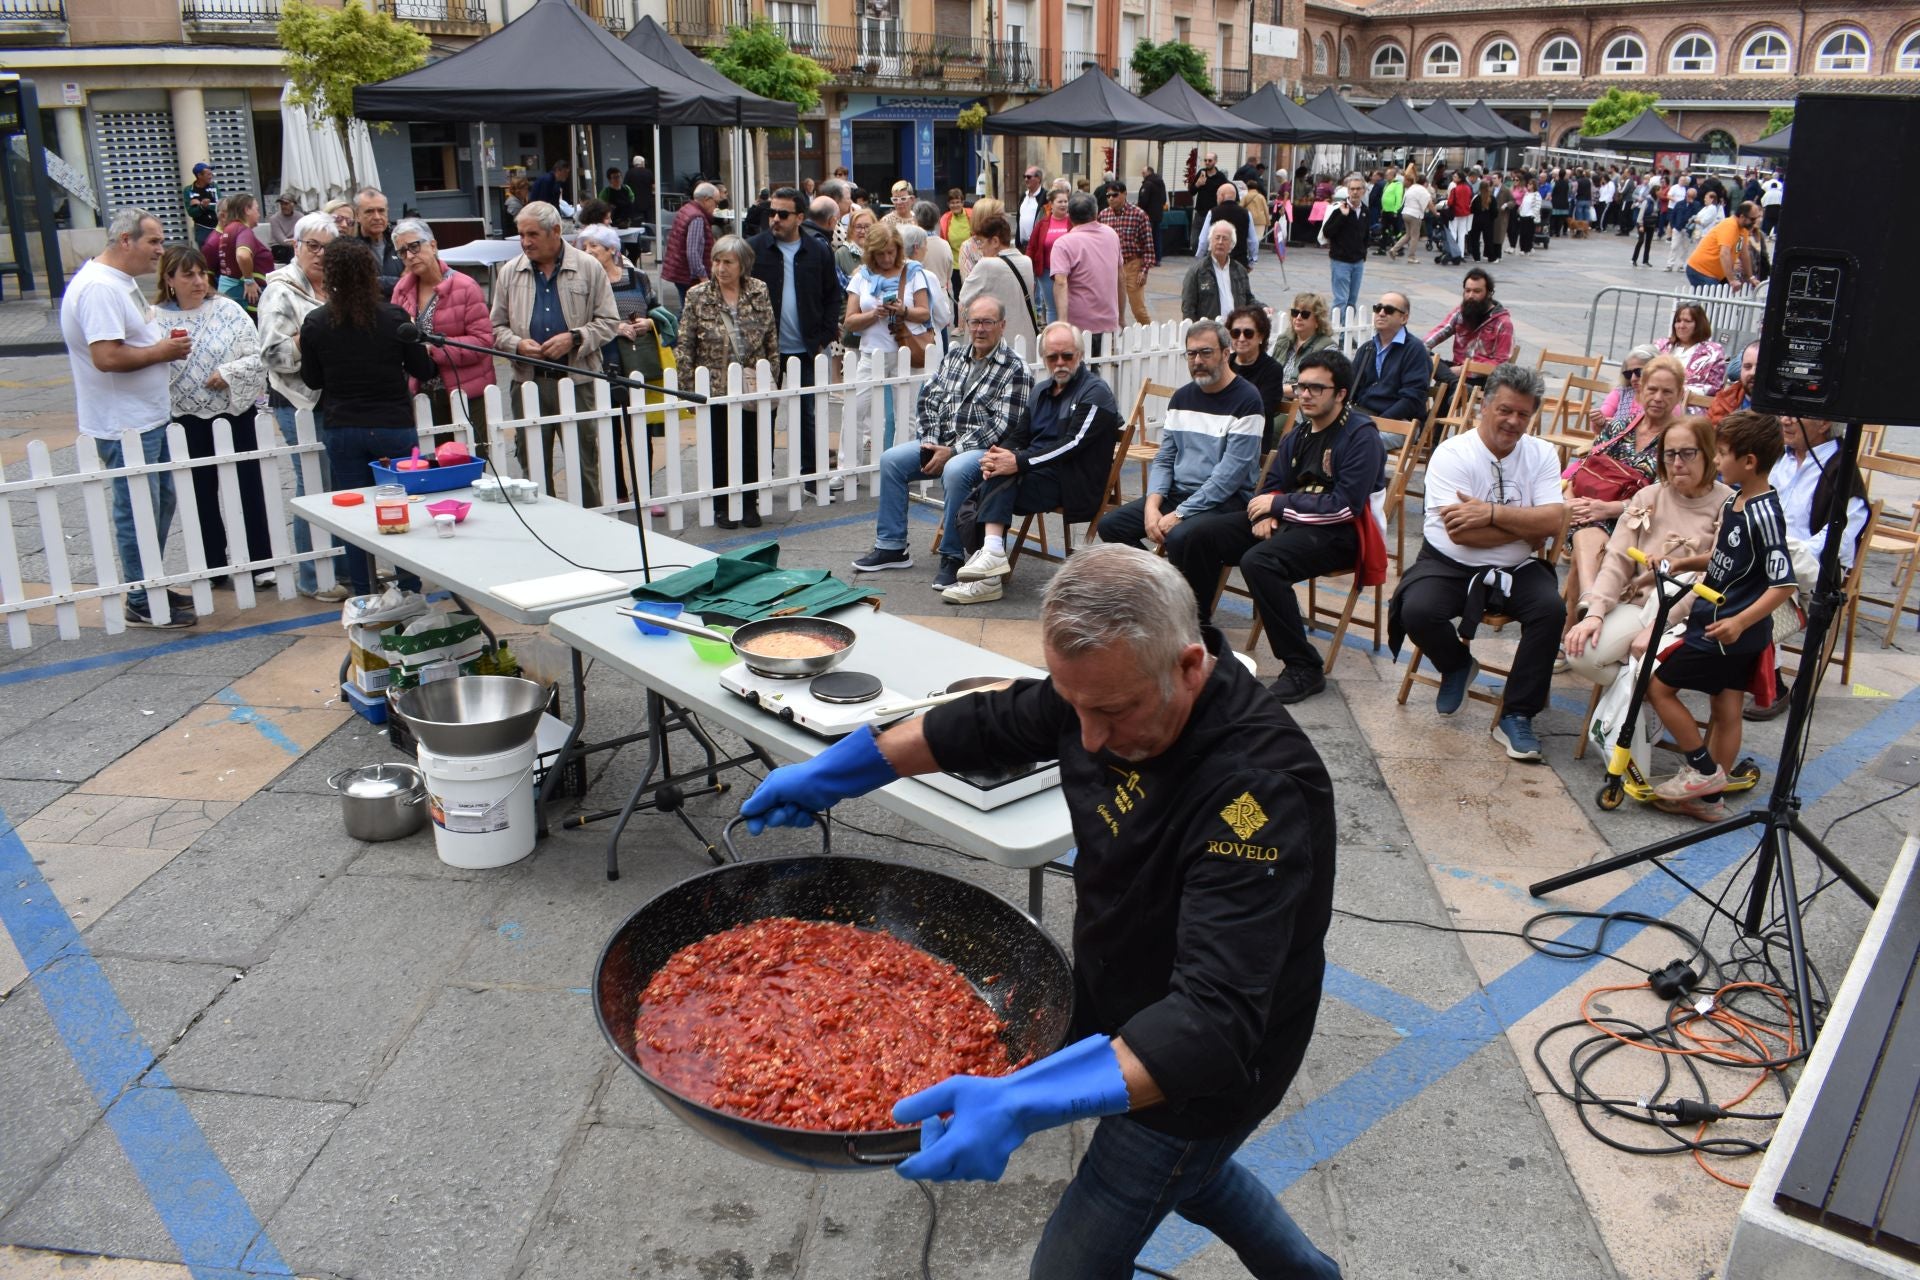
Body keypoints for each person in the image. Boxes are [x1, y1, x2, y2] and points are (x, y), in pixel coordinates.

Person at [739, 542, 1341, 1279]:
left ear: (1189, 666)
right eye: (1076, 704)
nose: (1087, 737)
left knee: (1083, 1252)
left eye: (1112, 712)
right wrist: (844, 769)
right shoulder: (1107, 680)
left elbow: (1212, 1022)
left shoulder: (1258, 796)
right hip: (1120, 994)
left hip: (1206, 1071)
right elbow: (987, 723)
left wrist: (1021, 1102)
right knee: (1195, 1178)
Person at [1181, 348, 1387, 704]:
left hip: (1342, 534)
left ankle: (1304, 667)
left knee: (1260, 563)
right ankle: (1198, 635)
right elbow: (1273, 485)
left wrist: (1279, 506)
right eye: (1301, 386)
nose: (1304, 395)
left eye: (1315, 388)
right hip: (1293, 521)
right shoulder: (1300, 433)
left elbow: (1344, 507)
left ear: (1340, 394)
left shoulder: (1360, 436)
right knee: (1192, 534)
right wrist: (1266, 513)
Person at [1388, 363, 1566, 763]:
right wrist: (1526, 526)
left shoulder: (1540, 454)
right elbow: (1461, 534)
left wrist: (1489, 513)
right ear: (1484, 408)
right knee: (1415, 609)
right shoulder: (1454, 453)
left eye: (1523, 414)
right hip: (1449, 562)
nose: (1513, 421)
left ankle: (1517, 714)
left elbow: (1555, 520)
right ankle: (1456, 663)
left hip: (1516, 567)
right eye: (1505, 410)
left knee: (1551, 610)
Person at [1643, 412, 1797, 819]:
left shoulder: (1764, 512)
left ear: (1748, 461)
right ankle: (1710, 803)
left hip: (1725, 630)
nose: (1717, 461)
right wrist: (1684, 562)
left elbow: (1783, 584)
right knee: (1725, 711)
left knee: (1659, 689)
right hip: (1721, 623)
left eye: (1723, 454)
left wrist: (1740, 621)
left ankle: (1703, 771)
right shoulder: (1735, 497)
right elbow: (1725, 554)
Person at [59, 209, 196, 627]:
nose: (160, 250)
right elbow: (107, 356)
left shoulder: (118, 283)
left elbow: (130, 338)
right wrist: (162, 352)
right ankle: (140, 594)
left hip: (142, 417)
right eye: (153, 242)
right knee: (137, 507)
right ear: (125, 241)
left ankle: (149, 582)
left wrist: (158, 344)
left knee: (158, 502)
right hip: (124, 422)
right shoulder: (100, 288)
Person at [851, 295, 1031, 588]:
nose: (980, 329)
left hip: (983, 450)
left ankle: (953, 555)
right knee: (891, 461)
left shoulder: (1015, 368)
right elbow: (929, 399)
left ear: (1002, 326)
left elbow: (1002, 425)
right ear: (966, 324)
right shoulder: (955, 356)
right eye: (974, 322)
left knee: (957, 469)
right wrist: (931, 443)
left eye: (988, 322)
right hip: (942, 442)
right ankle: (892, 546)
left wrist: (952, 451)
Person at [298, 238, 437, 598]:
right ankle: (408, 587)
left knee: (354, 516)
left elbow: (312, 380)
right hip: (393, 424)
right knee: (402, 508)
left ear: (330, 276)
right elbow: (422, 367)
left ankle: (364, 591)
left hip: (343, 425)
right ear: (370, 273)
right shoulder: (393, 318)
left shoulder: (315, 322)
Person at [944, 322, 1120, 605]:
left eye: (1067, 356)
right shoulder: (1040, 391)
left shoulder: (1095, 392)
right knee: (995, 472)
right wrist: (998, 456)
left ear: (1081, 354)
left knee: (1003, 475)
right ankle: (990, 565)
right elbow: (1019, 436)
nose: (1060, 363)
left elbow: (1072, 445)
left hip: (1073, 483)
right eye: (1053, 357)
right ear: (1044, 359)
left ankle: (989, 570)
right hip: (1035, 476)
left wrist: (1018, 462)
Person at [1096, 320, 1265, 610]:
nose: (1197, 361)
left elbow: (1228, 477)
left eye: (1205, 353)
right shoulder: (1182, 397)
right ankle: (1162, 591)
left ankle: (1195, 618)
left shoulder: (1247, 400)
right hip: (1178, 493)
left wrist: (1180, 514)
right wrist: (1152, 504)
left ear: (1226, 354)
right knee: (1112, 526)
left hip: (1224, 501)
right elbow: (1165, 458)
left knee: (1183, 536)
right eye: (1191, 354)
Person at [1565, 416, 1730, 687]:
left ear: (1708, 453)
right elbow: (1617, 559)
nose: (1677, 463)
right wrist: (1596, 610)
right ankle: (1640, 697)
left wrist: (1660, 624)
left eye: (1688, 453)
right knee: (1581, 652)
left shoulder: (1726, 504)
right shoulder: (1648, 497)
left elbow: (1711, 577)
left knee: (1644, 664)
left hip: (1688, 614)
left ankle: (1637, 700)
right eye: (1669, 455)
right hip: (1638, 603)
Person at [153, 243, 273, 590]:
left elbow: (257, 356)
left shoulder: (229, 310)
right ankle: (213, 564)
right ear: (169, 279)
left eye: (201, 273)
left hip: (234, 411)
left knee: (248, 485)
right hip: (186, 416)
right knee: (199, 491)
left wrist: (230, 373)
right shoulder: (155, 318)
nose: (197, 281)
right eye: (187, 275)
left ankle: (260, 560)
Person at [489, 200, 621, 508]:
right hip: (528, 381)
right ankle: (544, 533)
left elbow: (609, 322)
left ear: (556, 231)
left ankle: (590, 528)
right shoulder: (510, 272)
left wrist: (575, 338)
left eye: (532, 234)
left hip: (577, 380)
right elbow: (495, 327)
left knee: (583, 463)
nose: (525, 242)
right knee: (532, 467)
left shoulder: (588, 266)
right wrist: (517, 344)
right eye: (521, 234)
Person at [1561, 354, 1687, 641]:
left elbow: (1668, 499)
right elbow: (1584, 468)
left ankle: (1576, 620)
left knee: (1587, 538)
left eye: (1667, 391)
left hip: (1646, 524)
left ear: (1680, 394)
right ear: (1640, 391)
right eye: (1652, 389)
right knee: (1586, 525)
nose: (1657, 397)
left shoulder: (1680, 439)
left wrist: (1611, 508)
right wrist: (1571, 499)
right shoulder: (1620, 427)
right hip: (1593, 512)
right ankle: (1589, 603)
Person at [259, 212, 348, 599]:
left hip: (335, 397)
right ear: (295, 246)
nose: (320, 255)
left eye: (328, 248)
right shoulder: (280, 291)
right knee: (313, 485)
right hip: (298, 400)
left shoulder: (335, 288)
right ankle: (313, 576)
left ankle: (343, 566)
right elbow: (272, 354)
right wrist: (309, 337)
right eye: (312, 246)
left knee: (340, 486)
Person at [676, 234, 777, 529]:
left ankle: (749, 502)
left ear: (742, 264)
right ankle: (721, 505)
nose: (721, 268)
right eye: (717, 261)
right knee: (718, 447)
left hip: (750, 384)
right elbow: (686, 344)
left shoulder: (759, 290)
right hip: (714, 386)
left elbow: (771, 337)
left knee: (752, 445)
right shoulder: (698, 295)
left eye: (728, 262)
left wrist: (772, 378)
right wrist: (687, 390)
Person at [749, 186, 844, 486]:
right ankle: (762, 478)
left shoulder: (818, 250)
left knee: (808, 414)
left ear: (800, 217)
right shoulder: (754, 248)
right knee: (764, 415)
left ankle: (811, 477)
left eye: (783, 214)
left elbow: (832, 295)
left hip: (806, 347)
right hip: (766, 350)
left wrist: (824, 335)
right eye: (771, 212)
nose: (775, 218)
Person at [391, 216, 497, 444]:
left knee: (472, 460)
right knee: (435, 462)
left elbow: (484, 342)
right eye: (402, 252)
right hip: (423, 393)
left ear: (433, 245)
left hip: (467, 392)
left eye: (414, 246)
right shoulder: (402, 289)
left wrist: (433, 349)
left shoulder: (465, 286)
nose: (409, 255)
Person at [842, 220, 932, 454]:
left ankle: (901, 466)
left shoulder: (912, 272)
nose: (886, 259)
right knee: (854, 409)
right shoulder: (862, 276)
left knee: (906, 415)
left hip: (907, 352)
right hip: (872, 352)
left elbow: (924, 313)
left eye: (890, 252)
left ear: (898, 250)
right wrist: (874, 314)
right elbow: (849, 321)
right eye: (880, 254)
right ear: (871, 253)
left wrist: (903, 311)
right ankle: (847, 467)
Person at [1349, 291, 1431, 447]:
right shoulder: (1367, 349)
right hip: (1364, 419)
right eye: (1378, 308)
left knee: (1358, 442)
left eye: (1389, 310)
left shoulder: (1414, 349)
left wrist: (1379, 422)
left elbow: (1413, 398)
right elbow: (1350, 388)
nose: (1381, 313)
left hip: (1399, 424)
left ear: (1404, 318)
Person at [1049, 192, 1122, 355]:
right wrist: (1121, 316)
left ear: (1069, 216)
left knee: (1078, 375)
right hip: (1108, 321)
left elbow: (1060, 282)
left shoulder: (1063, 243)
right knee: (1104, 374)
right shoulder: (1111, 235)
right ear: (1096, 213)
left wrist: (1062, 323)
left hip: (1079, 325)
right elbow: (1120, 277)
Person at [1424, 268, 1515, 396]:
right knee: (1422, 355)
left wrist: (1464, 369)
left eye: (1477, 291)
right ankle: (1455, 384)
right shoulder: (1460, 313)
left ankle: (1452, 388)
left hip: (1481, 378)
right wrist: (1419, 348)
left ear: (1489, 293)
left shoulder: (1503, 323)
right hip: (1455, 371)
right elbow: (1439, 332)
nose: (1471, 296)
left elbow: (1501, 365)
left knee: (1447, 389)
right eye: (1467, 291)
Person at [957, 213, 1039, 354]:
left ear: (995, 241)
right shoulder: (1027, 261)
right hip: (1026, 342)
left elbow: (964, 298)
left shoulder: (986, 265)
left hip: (996, 344)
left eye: (982, 242)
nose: (980, 248)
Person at [1225, 307, 1290, 450]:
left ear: (1261, 337)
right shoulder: (1224, 364)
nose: (1241, 338)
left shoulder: (1272, 370)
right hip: (1219, 436)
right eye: (1235, 333)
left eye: (1248, 333)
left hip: (1250, 441)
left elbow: (1261, 411)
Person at [1099, 183, 1156, 327]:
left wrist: (1144, 271)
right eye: (1108, 196)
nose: (1111, 199)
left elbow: (1148, 246)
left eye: (1115, 195)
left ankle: (1149, 337)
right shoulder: (1103, 215)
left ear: (1124, 194)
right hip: (1111, 266)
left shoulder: (1139, 215)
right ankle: (1116, 339)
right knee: (1112, 308)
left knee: (1138, 309)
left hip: (1132, 264)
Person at [1181, 222, 1258, 323]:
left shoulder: (1240, 270)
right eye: (1217, 238)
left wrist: (1262, 307)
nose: (1220, 242)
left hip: (1235, 331)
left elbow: (1248, 299)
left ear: (1232, 244)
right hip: (1209, 332)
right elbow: (1188, 308)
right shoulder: (1197, 271)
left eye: (1225, 238)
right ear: (1210, 241)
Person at [208, 192, 270, 313]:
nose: (259, 214)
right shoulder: (242, 230)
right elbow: (243, 255)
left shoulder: (230, 228)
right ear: (247, 210)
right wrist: (249, 281)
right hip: (243, 295)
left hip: (232, 292)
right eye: (256, 209)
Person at [662, 182, 721, 309]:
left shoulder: (687, 209)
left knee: (686, 309)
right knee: (690, 312)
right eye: (716, 202)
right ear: (706, 200)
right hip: (689, 276)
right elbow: (693, 252)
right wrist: (704, 279)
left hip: (680, 271)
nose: (716, 207)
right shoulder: (697, 218)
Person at [1687, 200, 1762, 290]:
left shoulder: (1743, 230)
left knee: (1721, 298)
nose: (1755, 222)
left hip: (1715, 273)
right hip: (1700, 270)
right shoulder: (1730, 226)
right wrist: (1731, 280)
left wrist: (1751, 277)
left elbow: (1743, 253)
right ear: (1742, 217)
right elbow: (1724, 253)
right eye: (1753, 219)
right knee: (1714, 300)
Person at [1322, 178, 1368, 319]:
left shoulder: (1365, 211)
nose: (1355, 192)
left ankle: (1346, 335)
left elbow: (1365, 234)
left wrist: (1363, 253)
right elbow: (1327, 232)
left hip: (1358, 262)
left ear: (1363, 191)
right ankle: (1337, 333)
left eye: (1358, 189)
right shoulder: (1339, 209)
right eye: (1352, 189)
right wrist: (1342, 216)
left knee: (1352, 300)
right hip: (1341, 261)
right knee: (1341, 299)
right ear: (1347, 191)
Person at [1656, 303, 1725, 396]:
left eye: (1687, 321)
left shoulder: (1713, 351)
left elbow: (1715, 387)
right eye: (1678, 321)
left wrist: (1679, 390)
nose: (1681, 325)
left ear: (1699, 325)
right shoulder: (1661, 345)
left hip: (1690, 404)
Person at [1271, 292, 1337, 383]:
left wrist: (1276, 390)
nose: (1298, 317)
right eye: (1295, 312)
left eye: (1305, 314)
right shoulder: (1283, 339)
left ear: (1318, 321)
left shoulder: (1327, 349)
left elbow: (1315, 386)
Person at [1590, 344, 1654, 436]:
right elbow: (1600, 422)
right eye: (1628, 373)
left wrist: (1619, 426)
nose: (1633, 378)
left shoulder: (1662, 398)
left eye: (1639, 372)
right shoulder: (1621, 392)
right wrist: (1599, 422)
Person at [1026, 189, 1070, 322]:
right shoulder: (1042, 224)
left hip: (1069, 272)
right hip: (1046, 272)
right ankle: (1054, 337)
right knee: (1052, 307)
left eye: (1066, 201)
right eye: (1060, 201)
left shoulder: (1073, 222)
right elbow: (1032, 247)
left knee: (1068, 305)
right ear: (1051, 204)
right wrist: (1029, 268)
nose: (1063, 204)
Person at [352, 188, 405, 297]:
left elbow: (418, 275)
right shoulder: (349, 247)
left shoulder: (400, 241)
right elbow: (361, 284)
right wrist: (403, 281)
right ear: (357, 216)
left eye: (381, 211)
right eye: (369, 211)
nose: (377, 217)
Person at [1709, 339, 1760, 422]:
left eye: (1760, 367)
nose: (1753, 372)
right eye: (1747, 367)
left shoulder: (1785, 414)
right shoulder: (1722, 401)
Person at [1207, 182, 1254, 269]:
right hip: (1240, 261)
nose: (1217, 198)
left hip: (1216, 261)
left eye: (1217, 195)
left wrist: (1200, 257)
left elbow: (1203, 240)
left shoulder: (1212, 212)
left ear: (1221, 196)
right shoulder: (1246, 213)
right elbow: (1253, 241)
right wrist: (1251, 261)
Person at [1387, 172, 1430, 261]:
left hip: (1405, 213)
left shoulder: (1411, 188)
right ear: (1425, 182)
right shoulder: (1422, 190)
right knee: (1415, 236)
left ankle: (1394, 249)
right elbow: (1428, 203)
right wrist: (1434, 212)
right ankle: (1411, 256)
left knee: (1408, 235)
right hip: (1415, 214)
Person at [182, 162, 219, 250]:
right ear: (199, 175)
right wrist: (202, 206)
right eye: (208, 174)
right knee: (205, 256)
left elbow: (220, 206)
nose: (211, 176)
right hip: (202, 229)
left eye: (211, 173)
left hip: (218, 227)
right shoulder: (189, 190)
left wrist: (201, 204)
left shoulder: (214, 187)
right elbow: (191, 212)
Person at [1629, 177, 1661, 268]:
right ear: (1655, 191)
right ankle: (1634, 259)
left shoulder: (1657, 201)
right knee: (1641, 241)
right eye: (1659, 191)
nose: (1660, 192)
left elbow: (1656, 212)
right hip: (1643, 222)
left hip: (1651, 223)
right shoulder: (1647, 200)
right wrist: (1641, 225)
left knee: (1648, 242)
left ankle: (1645, 260)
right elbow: (1641, 213)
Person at [1138, 163, 1168, 260]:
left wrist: (1140, 209)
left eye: (1143, 172)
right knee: (1157, 237)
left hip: (1148, 215)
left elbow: (1143, 200)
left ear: (1149, 172)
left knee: (1148, 238)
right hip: (1158, 215)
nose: (1142, 174)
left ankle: (1149, 258)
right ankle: (1158, 258)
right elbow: (1164, 199)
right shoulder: (1160, 182)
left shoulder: (1147, 184)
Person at [1015, 164, 1047, 249]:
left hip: (1036, 245)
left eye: (1029, 177)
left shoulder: (1045, 197)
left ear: (1038, 179)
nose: (1026, 179)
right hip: (1021, 246)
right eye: (1024, 176)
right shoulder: (1023, 196)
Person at [938, 189, 972, 265]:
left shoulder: (972, 215)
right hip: (953, 265)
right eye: (952, 203)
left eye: (957, 202)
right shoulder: (944, 219)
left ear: (962, 203)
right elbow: (943, 242)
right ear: (948, 204)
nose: (955, 205)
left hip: (971, 263)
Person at [1189, 152, 1222, 228]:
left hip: (1213, 214)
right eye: (1205, 160)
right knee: (1194, 239)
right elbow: (1192, 192)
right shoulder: (1201, 173)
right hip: (1200, 214)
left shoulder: (1220, 177)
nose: (1207, 162)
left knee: (1210, 239)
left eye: (1210, 160)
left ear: (1215, 161)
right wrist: (1197, 185)